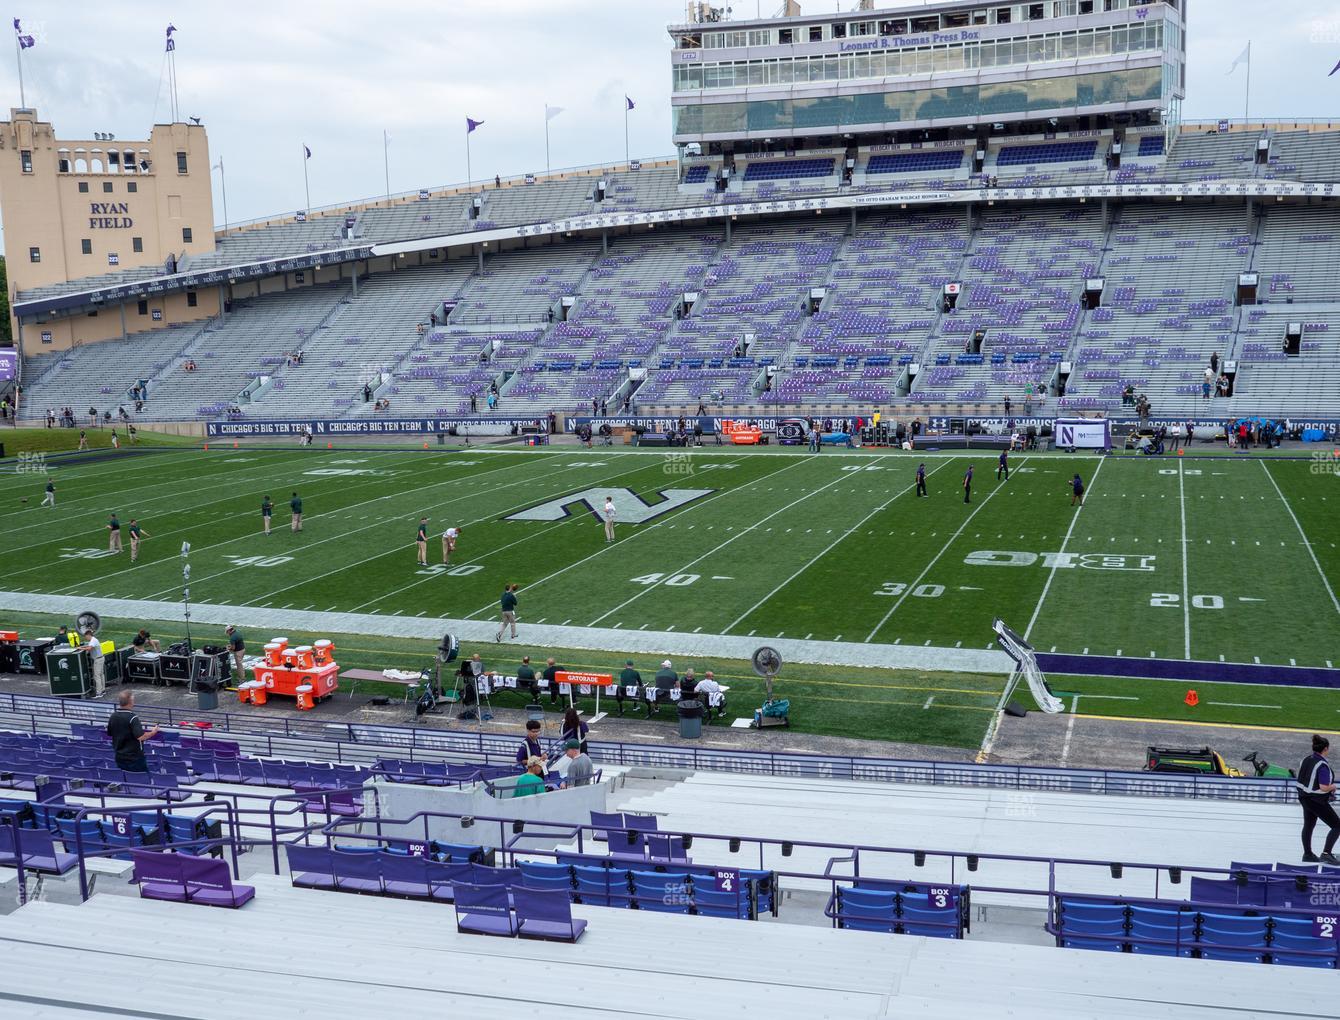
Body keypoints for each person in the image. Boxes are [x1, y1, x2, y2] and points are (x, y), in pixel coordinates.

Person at [1297, 734, 1340, 864]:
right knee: (1337, 825)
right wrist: (1333, 786)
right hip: (1316, 800)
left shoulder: (1306, 759)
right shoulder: (1322, 765)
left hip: (1304, 797)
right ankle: (1326, 853)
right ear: (1325, 749)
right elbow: (1323, 787)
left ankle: (1308, 854)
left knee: (1308, 825)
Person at [106, 689, 159, 773]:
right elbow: (141, 737)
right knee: (142, 779)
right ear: (130, 702)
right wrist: (154, 732)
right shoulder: (133, 718)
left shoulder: (113, 716)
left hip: (119, 756)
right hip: (134, 758)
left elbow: (110, 733)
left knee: (126, 778)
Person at [85, 629, 106, 695]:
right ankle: (103, 690)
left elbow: (89, 648)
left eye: (86, 636)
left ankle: (99, 693)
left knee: (97, 676)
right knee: (101, 675)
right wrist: (83, 647)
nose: (85, 638)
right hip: (101, 658)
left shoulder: (92, 640)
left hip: (98, 660)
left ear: (88, 635)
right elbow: (89, 646)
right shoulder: (94, 639)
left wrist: (80, 648)